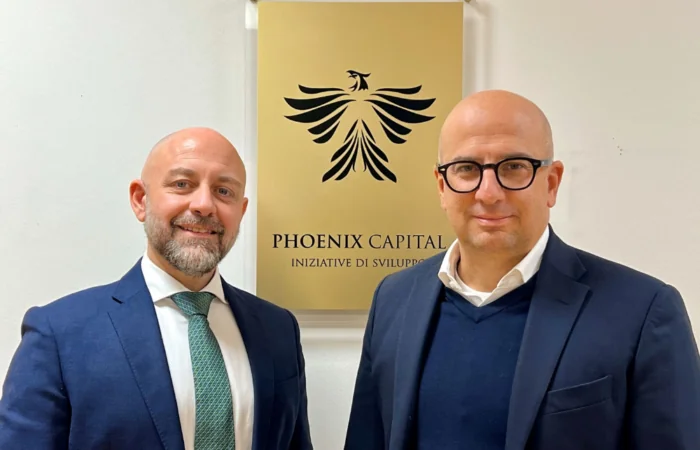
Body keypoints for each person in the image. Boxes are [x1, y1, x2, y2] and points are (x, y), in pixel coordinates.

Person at [343, 90, 700, 450]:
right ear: (442, 186)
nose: (488, 193)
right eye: (466, 169)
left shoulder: (642, 312)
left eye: (514, 167)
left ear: (551, 183)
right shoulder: (393, 299)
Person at [0, 127, 313, 450]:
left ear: (241, 211)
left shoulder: (278, 330)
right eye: (182, 184)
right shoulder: (59, 333)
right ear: (140, 200)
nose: (204, 205)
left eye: (223, 191)